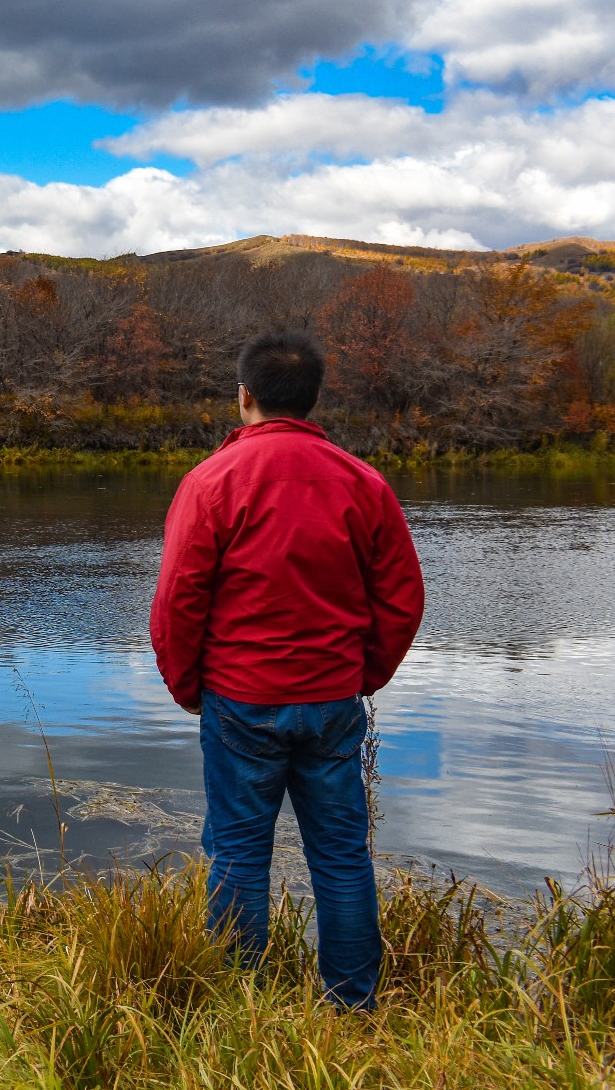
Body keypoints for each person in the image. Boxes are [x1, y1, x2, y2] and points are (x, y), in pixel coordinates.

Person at [148, 329, 424, 1009]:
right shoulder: (364, 482)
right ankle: (353, 1006)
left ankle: (242, 1006)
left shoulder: (211, 481)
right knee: (341, 857)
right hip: (332, 701)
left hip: (240, 703)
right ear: (311, 399)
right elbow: (403, 598)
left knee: (238, 856)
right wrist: (363, 674)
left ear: (245, 397)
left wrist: (189, 687)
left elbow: (178, 600)